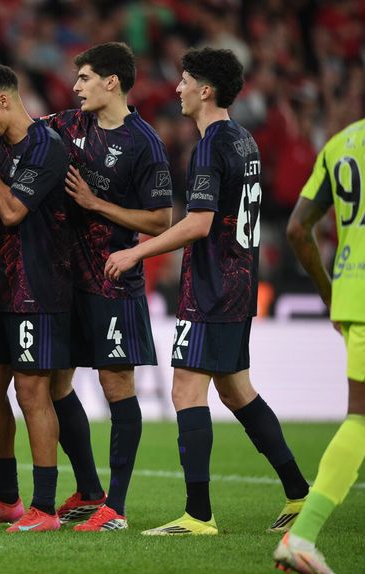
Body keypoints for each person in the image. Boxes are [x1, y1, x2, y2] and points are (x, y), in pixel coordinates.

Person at [105, 47, 310, 536]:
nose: (177, 88)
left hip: (213, 286)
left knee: (185, 389)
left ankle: (198, 515)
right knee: (236, 390)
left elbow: (198, 224)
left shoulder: (211, 146)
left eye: (184, 80)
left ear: (206, 90)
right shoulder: (243, 139)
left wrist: (136, 253)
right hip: (239, 281)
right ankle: (300, 492)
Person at [42, 42, 173, 532]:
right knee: (55, 384)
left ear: (111, 82)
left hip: (113, 281)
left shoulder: (144, 143)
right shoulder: (68, 124)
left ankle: (115, 508)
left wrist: (96, 204)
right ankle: (89, 490)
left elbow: (160, 220)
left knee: (116, 385)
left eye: (85, 78)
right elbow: (19, 131)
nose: (76, 86)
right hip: (64, 281)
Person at [0, 65, 71, 533]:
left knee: (31, 393)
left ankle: (44, 508)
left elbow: (10, 213)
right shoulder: (1, 143)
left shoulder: (45, 146)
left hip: (37, 290)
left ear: (5, 100)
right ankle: (7, 498)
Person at [274, 117, 365, 573]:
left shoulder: (341, 143)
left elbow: (296, 229)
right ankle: (303, 535)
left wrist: (332, 295)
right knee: (361, 420)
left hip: (352, 293)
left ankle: (303, 536)